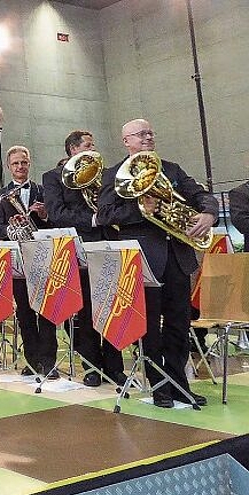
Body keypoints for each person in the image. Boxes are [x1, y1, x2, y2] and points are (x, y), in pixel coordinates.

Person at [97, 118, 216, 408]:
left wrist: (209, 213)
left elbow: (199, 194)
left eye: (150, 132)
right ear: (126, 141)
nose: (148, 137)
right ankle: (160, 386)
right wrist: (140, 211)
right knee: (150, 329)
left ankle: (180, 385)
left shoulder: (171, 169)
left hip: (177, 257)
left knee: (178, 325)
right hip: (145, 260)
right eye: (141, 134)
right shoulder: (113, 174)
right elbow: (104, 215)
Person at [42, 130, 124, 387]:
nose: (93, 149)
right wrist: (91, 219)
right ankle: (91, 365)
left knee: (111, 306)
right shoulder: (54, 177)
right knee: (85, 310)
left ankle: (115, 367)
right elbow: (56, 212)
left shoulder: (105, 174)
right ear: (73, 149)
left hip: (108, 243)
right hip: (79, 248)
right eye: (88, 145)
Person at [0, 145, 58, 378]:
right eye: (16, 163)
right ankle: (32, 361)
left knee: (47, 311)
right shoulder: (0, 195)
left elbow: (54, 224)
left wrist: (44, 215)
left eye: (24, 162)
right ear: (9, 167)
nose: (20, 167)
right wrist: (11, 228)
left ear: (29, 163)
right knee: (25, 312)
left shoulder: (42, 191)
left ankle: (49, 363)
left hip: (42, 257)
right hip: (18, 260)